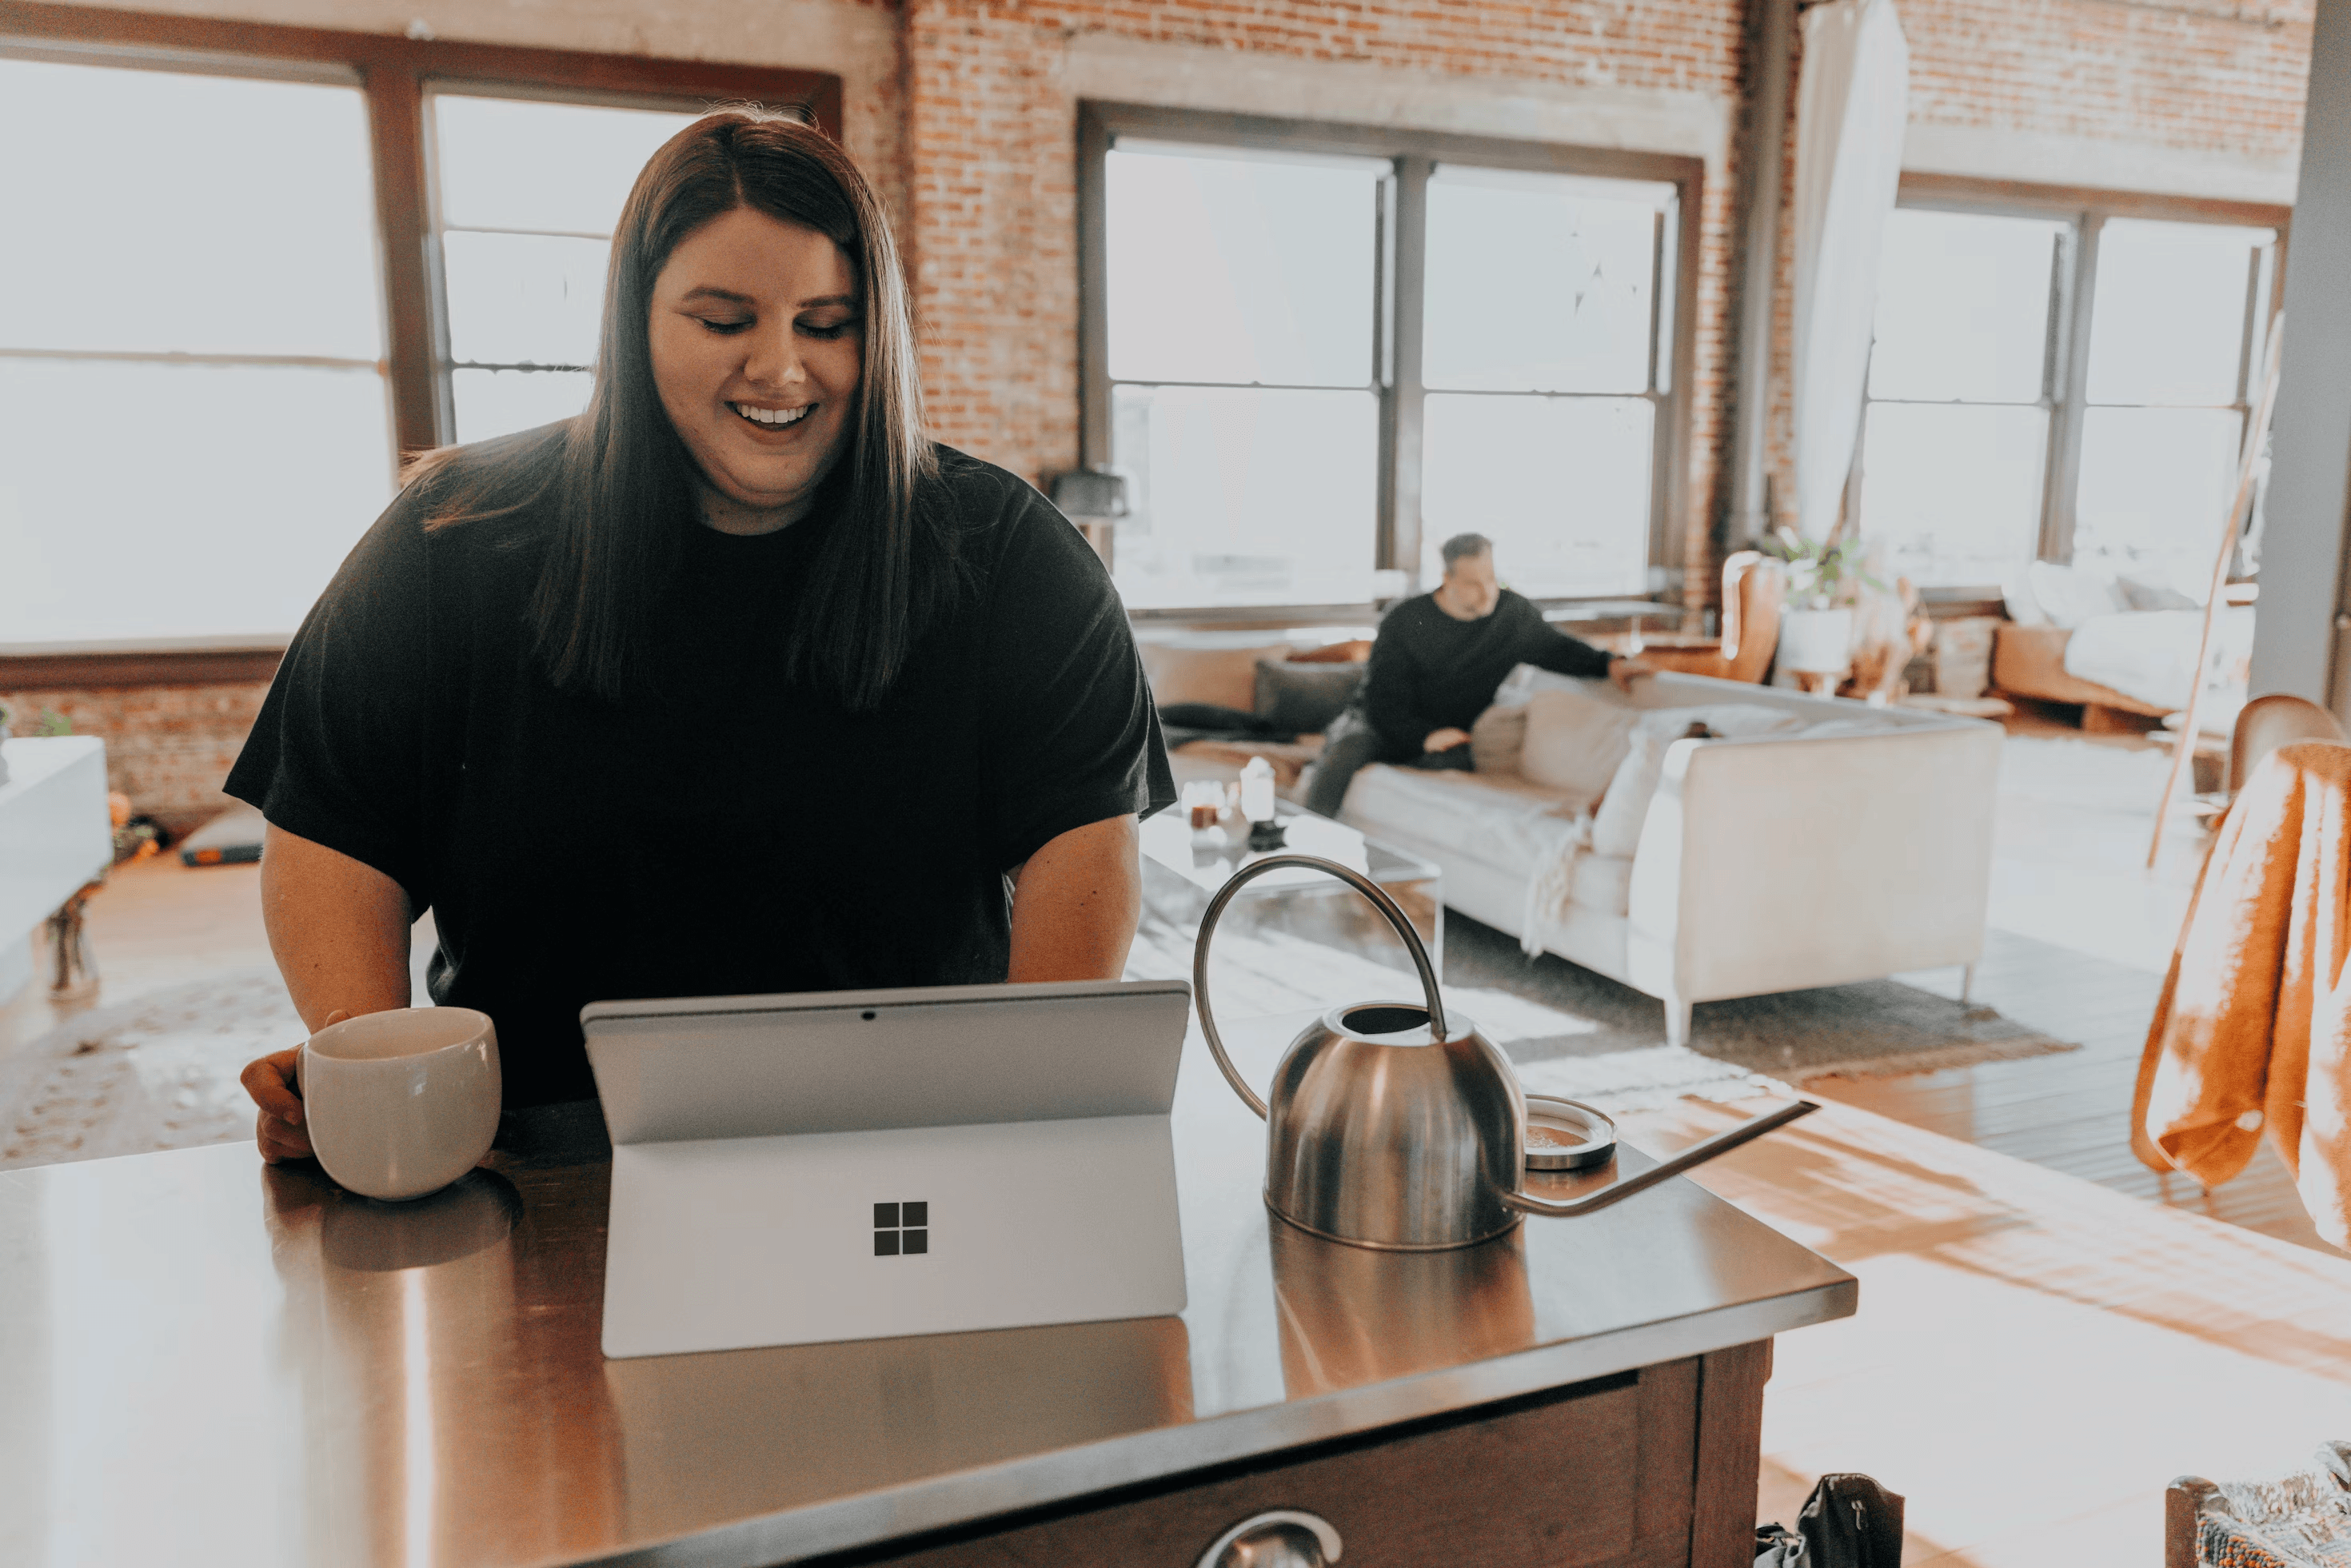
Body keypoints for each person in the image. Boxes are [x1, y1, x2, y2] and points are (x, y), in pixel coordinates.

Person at [234, 110, 1174, 1163]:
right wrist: (371, 1075)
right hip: (535, 1153)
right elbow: (334, 828)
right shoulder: (456, 532)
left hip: (909, 1149)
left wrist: (1024, 1110)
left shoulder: (1007, 555)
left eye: (827, 323)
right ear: (637, 323)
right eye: (724, 320)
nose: (782, 370)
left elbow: (1085, 847)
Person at [1302, 533, 1650, 819]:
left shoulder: (1511, 615)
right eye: (1472, 583)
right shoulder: (1405, 619)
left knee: (1456, 760)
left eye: (1490, 579)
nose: (1487, 593)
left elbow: (1557, 648)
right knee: (1348, 746)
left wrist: (1610, 663)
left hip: (1450, 738)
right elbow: (1381, 701)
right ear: (1447, 580)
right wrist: (1424, 737)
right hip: (1381, 723)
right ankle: (1304, 850)